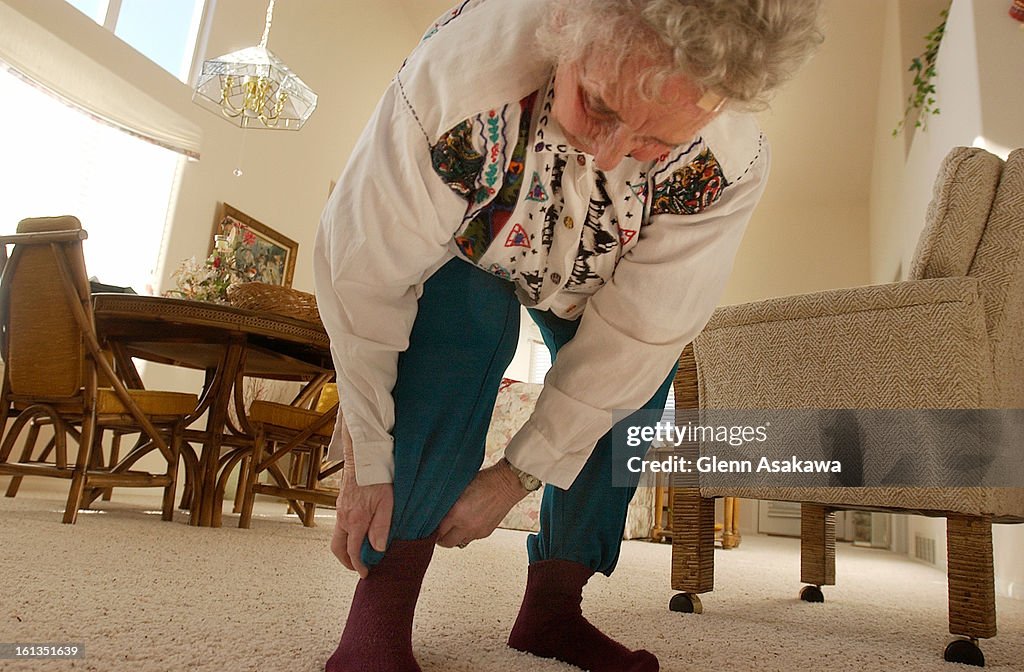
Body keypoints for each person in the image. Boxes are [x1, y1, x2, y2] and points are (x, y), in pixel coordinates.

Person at [313, 1, 823, 670]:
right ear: (564, 24)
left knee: (632, 396)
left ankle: (553, 611)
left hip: (602, 282)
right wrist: (369, 459)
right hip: (472, 255)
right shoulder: (455, 87)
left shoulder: (725, 168)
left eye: (653, 145)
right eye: (599, 105)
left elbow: (639, 337)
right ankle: (381, 615)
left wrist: (513, 477)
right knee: (458, 331)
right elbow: (364, 289)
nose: (608, 154)